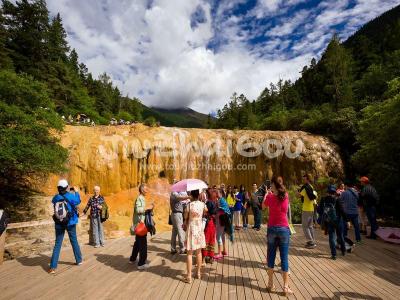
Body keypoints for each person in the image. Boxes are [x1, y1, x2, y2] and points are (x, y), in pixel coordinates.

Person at [262, 176, 293, 296]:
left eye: (272, 184)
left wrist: (266, 194)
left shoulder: (270, 197)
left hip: (272, 229)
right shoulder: (286, 195)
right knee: (284, 258)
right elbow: (284, 209)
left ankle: (270, 284)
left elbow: (263, 207)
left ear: (274, 185)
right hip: (284, 229)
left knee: (271, 256)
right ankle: (285, 287)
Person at [49, 180, 82, 274]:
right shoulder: (71, 196)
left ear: (58, 188)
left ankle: (52, 267)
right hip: (70, 222)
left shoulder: (55, 197)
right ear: (66, 187)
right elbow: (78, 201)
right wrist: (76, 191)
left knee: (57, 244)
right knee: (74, 240)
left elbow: (54, 204)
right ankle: (79, 260)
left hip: (59, 223)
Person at [184, 189, 207, 283]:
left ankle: (189, 276)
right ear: (198, 195)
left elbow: (185, 216)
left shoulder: (189, 205)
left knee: (189, 253)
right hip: (199, 229)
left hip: (191, 229)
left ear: (192, 195)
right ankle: (198, 273)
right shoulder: (202, 204)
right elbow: (206, 211)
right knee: (199, 252)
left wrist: (187, 216)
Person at [318, 185, 347, 260]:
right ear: (334, 192)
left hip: (329, 221)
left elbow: (319, 210)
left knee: (331, 237)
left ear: (327, 191)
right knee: (340, 235)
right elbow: (342, 211)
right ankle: (343, 251)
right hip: (338, 220)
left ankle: (334, 255)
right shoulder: (337, 199)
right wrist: (347, 220)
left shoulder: (323, 199)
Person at [130, 183, 154, 270]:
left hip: (139, 224)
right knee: (143, 244)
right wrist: (148, 207)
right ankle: (141, 263)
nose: (147, 190)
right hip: (141, 224)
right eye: (146, 188)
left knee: (137, 242)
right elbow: (138, 210)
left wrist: (150, 208)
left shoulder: (142, 198)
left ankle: (132, 259)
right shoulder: (140, 198)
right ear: (142, 190)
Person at [170, 180, 191, 254]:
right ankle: (182, 248)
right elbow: (179, 197)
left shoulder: (175, 192)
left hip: (176, 214)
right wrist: (189, 197)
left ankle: (173, 248)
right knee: (180, 230)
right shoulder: (174, 193)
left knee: (174, 232)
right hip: (177, 214)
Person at [297, 174, 317, 248]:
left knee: (305, 226)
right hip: (311, 208)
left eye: (305, 179)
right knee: (310, 226)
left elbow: (299, 195)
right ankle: (312, 241)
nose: (304, 180)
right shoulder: (311, 187)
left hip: (306, 209)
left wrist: (298, 191)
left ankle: (311, 242)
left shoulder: (305, 188)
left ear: (308, 179)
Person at [214, 189, 232, 259]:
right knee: (222, 235)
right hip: (223, 220)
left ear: (221, 193)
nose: (216, 194)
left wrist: (216, 214)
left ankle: (219, 253)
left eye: (217, 193)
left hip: (221, 220)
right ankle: (224, 250)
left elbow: (223, 210)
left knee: (218, 236)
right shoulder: (222, 200)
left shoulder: (221, 200)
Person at [202, 189, 217, 263]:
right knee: (211, 240)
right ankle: (211, 257)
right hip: (213, 223)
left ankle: (203, 258)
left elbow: (206, 212)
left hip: (208, 222)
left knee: (206, 240)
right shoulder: (215, 202)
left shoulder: (208, 202)